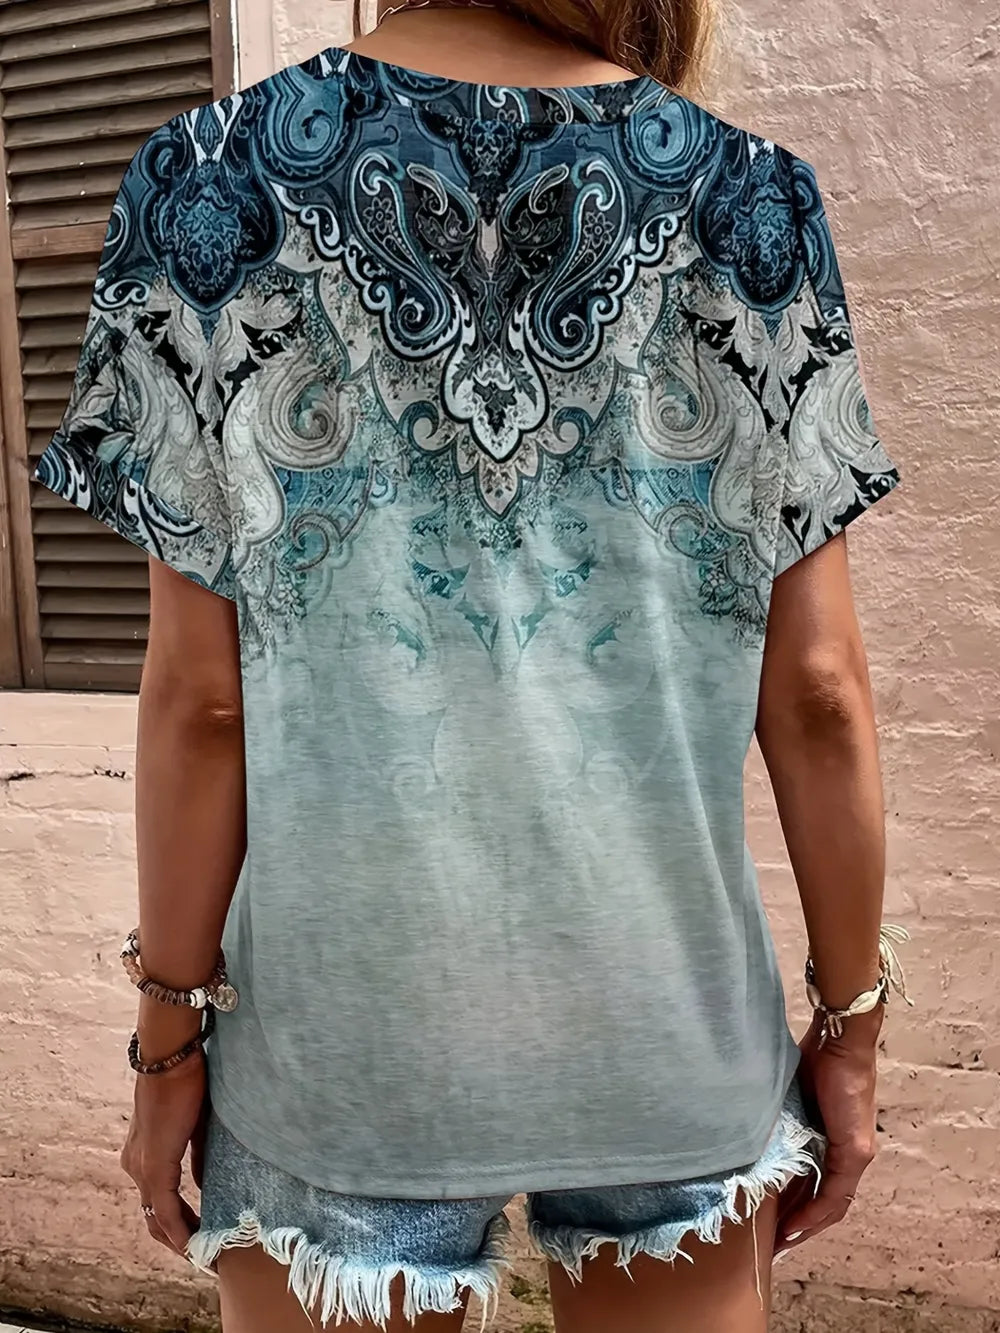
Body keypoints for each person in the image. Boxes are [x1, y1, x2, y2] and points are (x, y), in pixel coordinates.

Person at [35, 0, 912, 1328]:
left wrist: (164, 1048)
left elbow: (203, 705)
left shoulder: (209, 178)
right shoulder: (754, 201)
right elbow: (820, 695)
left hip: (341, 1050)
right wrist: (852, 1027)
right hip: (665, 1026)